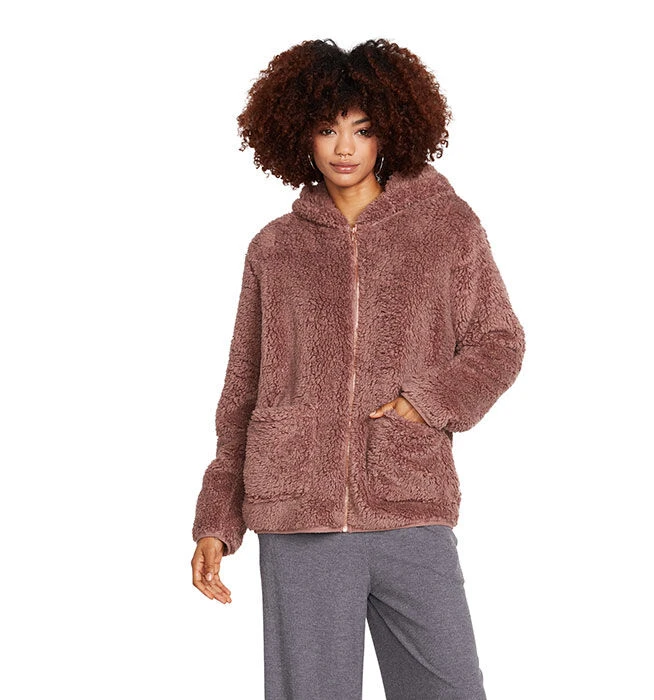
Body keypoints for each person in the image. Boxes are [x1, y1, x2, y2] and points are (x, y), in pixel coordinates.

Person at [191, 38, 525, 700]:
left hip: (408, 500)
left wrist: (425, 403)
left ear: (390, 133)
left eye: (363, 129)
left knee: (450, 688)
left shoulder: (445, 228)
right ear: (301, 135)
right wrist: (216, 521)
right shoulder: (274, 249)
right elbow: (243, 390)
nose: (344, 147)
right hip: (298, 514)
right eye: (327, 129)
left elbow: (499, 341)